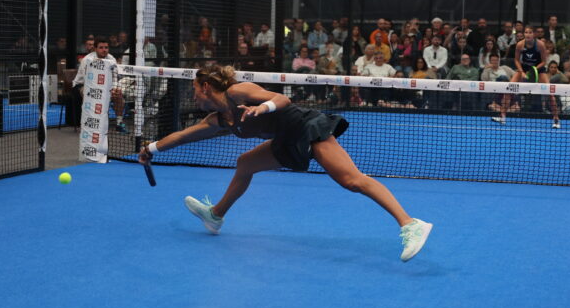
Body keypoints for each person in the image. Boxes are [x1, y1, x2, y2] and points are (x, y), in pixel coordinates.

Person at [137, 64, 433, 261]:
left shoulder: (237, 92)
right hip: (285, 140)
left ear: (204, 86)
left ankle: (411, 223)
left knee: (352, 181)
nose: (193, 94)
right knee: (245, 164)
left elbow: (280, 99)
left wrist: (261, 109)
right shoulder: (218, 119)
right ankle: (215, 215)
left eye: (194, 88)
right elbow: (184, 136)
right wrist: (152, 148)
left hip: (306, 128)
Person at [72, 38, 127, 132]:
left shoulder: (111, 59)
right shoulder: (87, 60)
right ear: (95, 49)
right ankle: (87, 124)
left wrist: (114, 89)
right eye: (101, 47)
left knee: (119, 97)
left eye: (106, 47)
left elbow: (114, 77)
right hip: (82, 85)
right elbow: (88, 81)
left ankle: (119, 124)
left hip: (105, 87)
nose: (104, 50)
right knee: (89, 93)